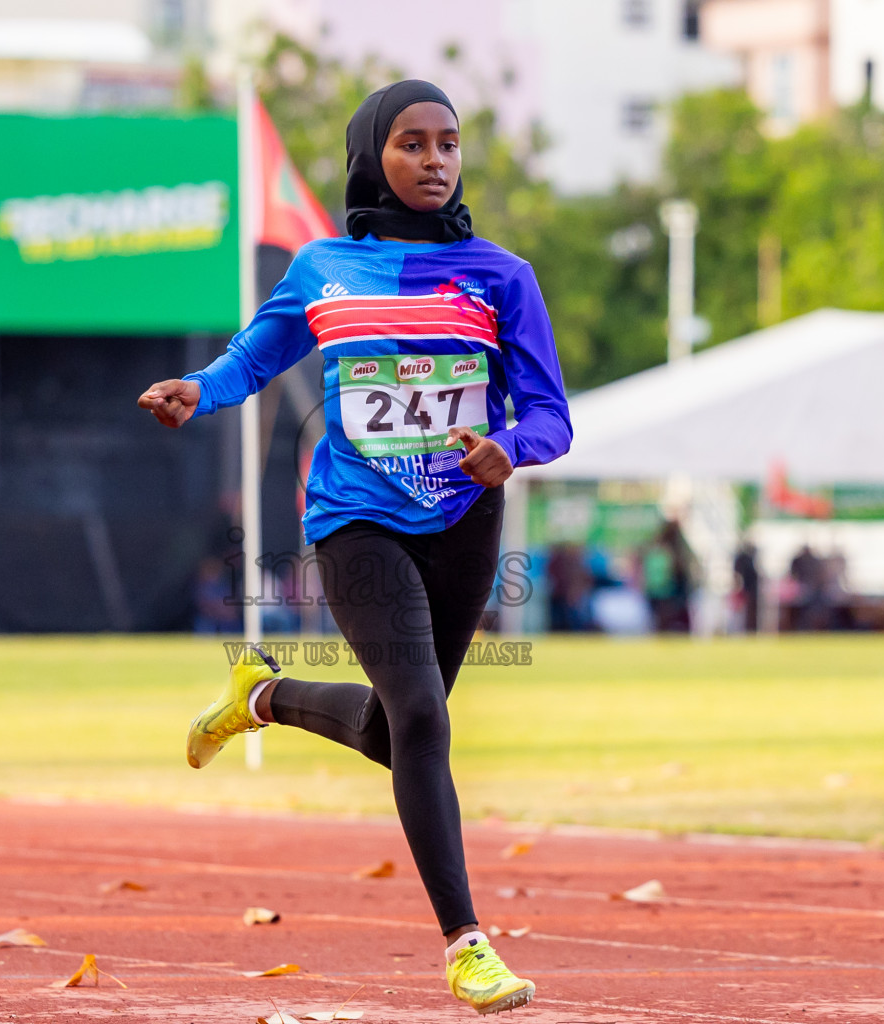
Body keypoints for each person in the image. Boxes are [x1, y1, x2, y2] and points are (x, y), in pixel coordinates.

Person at [138, 80, 571, 1015]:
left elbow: (550, 414)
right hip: (355, 519)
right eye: (411, 143)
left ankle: (261, 694)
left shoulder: (504, 276)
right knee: (422, 719)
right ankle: (467, 945)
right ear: (372, 155)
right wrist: (197, 390)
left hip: (464, 520)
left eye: (449, 143)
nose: (434, 160)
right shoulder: (323, 266)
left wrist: (513, 448)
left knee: (395, 728)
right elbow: (255, 356)